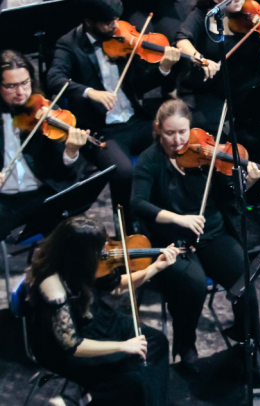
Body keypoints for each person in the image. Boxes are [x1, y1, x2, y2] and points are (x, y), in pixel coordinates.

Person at [130, 99, 260, 381]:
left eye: (183, 132)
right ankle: (186, 345)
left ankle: (250, 342)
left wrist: (248, 183)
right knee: (192, 286)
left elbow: (229, 193)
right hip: (173, 241)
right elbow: (138, 203)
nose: (179, 140)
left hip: (212, 232)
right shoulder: (150, 160)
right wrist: (177, 218)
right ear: (158, 129)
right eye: (170, 133)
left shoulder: (204, 154)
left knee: (246, 281)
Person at [46, 0, 182, 224]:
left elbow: (140, 85)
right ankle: (127, 229)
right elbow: (54, 80)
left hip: (134, 119)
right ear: (89, 22)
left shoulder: (122, 39)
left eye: (116, 19)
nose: (115, 26)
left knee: (177, 142)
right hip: (102, 130)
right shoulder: (69, 44)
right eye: (108, 22)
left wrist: (163, 68)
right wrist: (90, 92)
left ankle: (166, 215)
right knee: (124, 173)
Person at [26, 216, 181, 406]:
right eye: (99, 248)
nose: (104, 253)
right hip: (64, 347)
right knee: (134, 380)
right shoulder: (53, 285)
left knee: (156, 342)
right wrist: (123, 346)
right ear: (80, 253)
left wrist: (156, 267)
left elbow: (117, 286)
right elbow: (72, 345)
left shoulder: (85, 265)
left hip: (96, 318)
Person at [175, 0, 260, 165]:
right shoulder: (202, 16)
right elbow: (182, 40)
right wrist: (201, 60)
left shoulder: (250, 15)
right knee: (220, 132)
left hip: (244, 88)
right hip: (211, 90)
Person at [0, 50, 89, 239]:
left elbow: (60, 172)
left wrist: (71, 152)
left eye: (25, 83)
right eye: (11, 86)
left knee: (76, 236)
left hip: (43, 195)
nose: (21, 93)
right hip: (5, 202)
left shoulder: (46, 112)